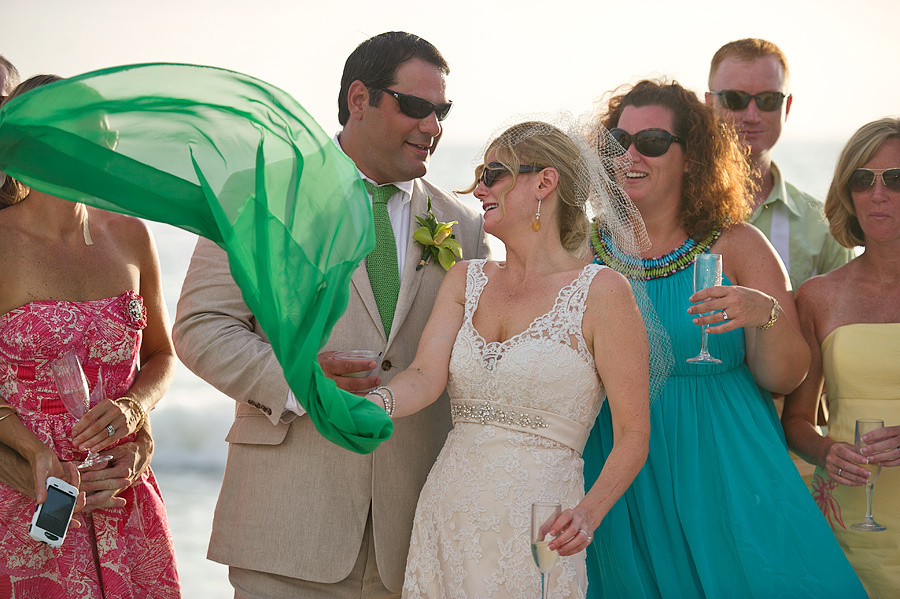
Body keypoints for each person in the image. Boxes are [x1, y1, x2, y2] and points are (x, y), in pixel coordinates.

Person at [172, 31, 490, 598]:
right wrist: (301, 383)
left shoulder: (463, 225)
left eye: (442, 112)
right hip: (287, 526)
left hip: (416, 538)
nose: (432, 126)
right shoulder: (259, 197)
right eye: (415, 107)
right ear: (359, 99)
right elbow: (202, 328)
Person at [583, 79, 866, 597]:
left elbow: (785, 377)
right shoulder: (583, 249)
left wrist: (766, 316)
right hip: (616, 460)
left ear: (691, 159)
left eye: (652, 142)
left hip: (721, 462)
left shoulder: (738, 245)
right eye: (618, 142)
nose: (630, 156)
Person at [363, 117, 651, 598]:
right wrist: (374, 404)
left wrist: (588, 513)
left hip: (540, 527)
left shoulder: (602, 293)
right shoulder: (465, 279)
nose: (479, 189)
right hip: (448, 513)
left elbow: (633, 433)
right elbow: (425, 375)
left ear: (544, 182)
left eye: (494, 173)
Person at [0, 75, 179, 597]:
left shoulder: (131, 234)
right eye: (93, 137)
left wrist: (135, 411)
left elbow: (162, 355)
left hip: (124, 493)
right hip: (28, 497)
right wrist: (31, 454)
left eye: (110, 135)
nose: (109, 149)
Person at [783, 117, 900, 597]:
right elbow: (795, 421)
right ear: (847, 193)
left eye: (895, 179)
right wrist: (826, 452)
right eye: (862, 179)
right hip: (848, 521)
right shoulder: (817, 297)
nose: (878, 194)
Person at [706, 38, 853, 291]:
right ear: (710, 104)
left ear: (787, 106)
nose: (752, 116)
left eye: (768, 100)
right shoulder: (672, 210)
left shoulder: (822, 226)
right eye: (735, 99)